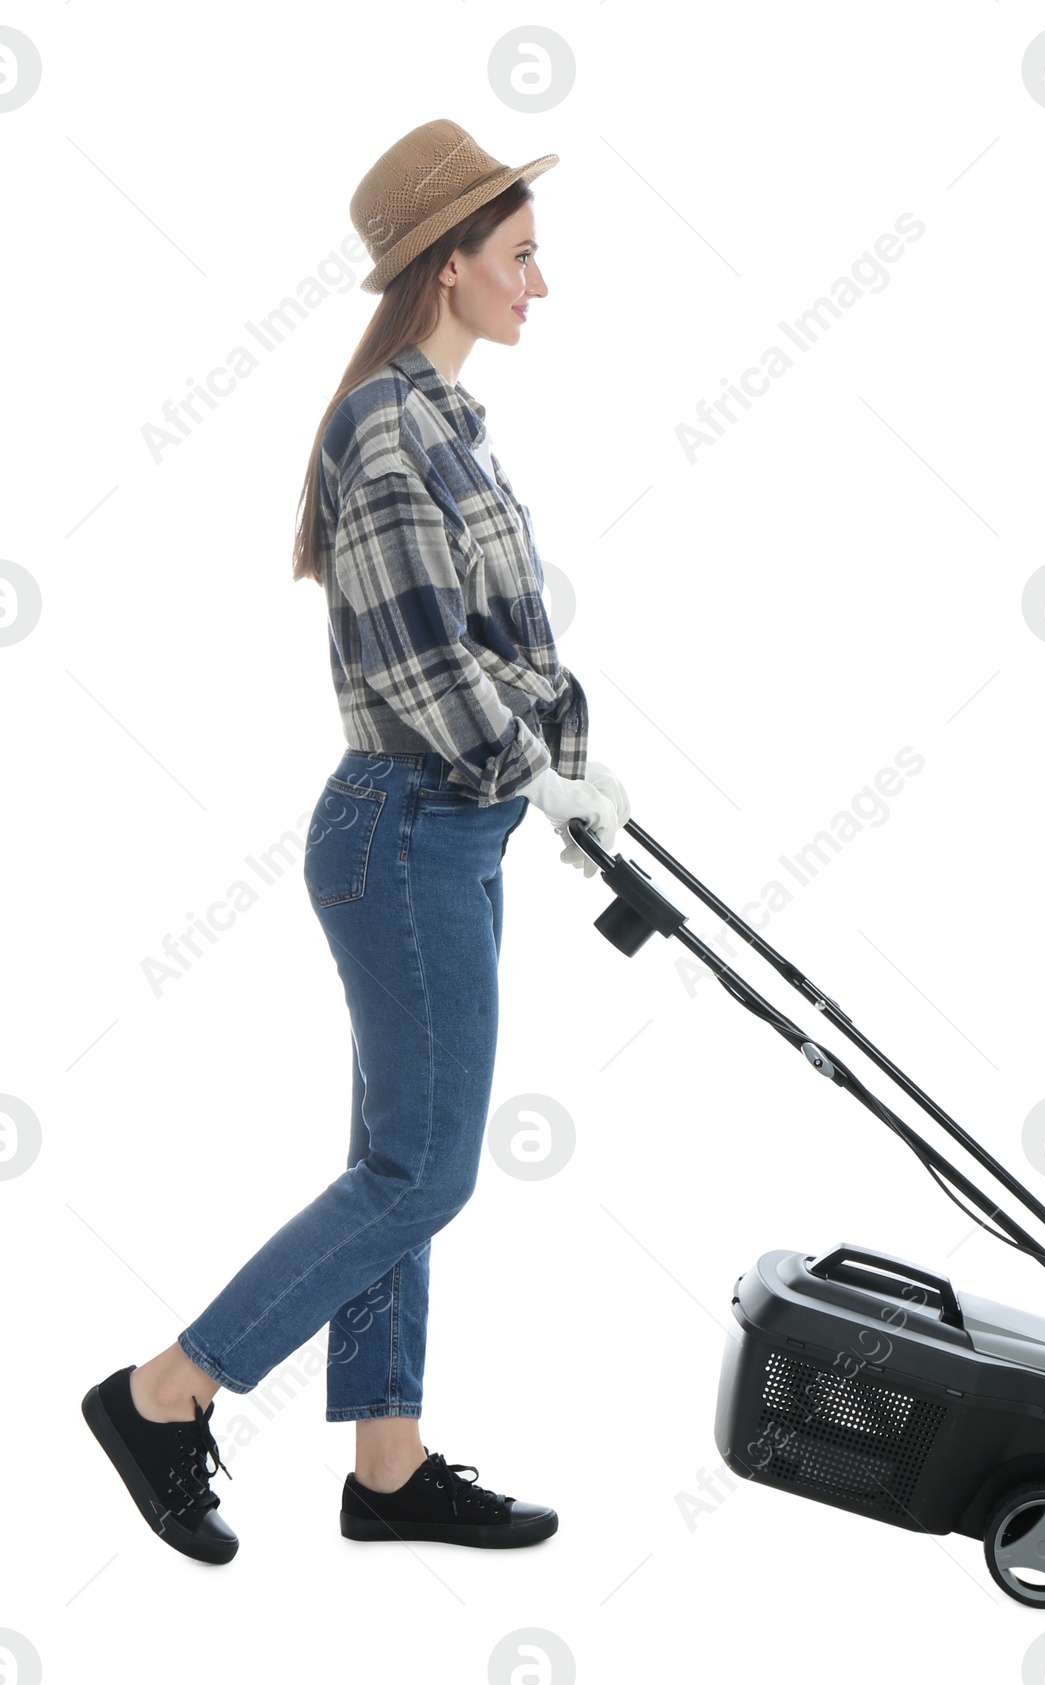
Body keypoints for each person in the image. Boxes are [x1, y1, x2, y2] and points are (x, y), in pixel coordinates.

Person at [80, 119, 628, 1564]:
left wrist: (571, 773)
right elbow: (432, 666)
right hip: (405, 831)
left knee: (399, 1156)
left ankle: (388, 1470)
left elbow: (512, 644)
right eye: (519, 257)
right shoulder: (386, 430)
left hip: (457, 827)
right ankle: (164, 1391)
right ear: (450, 268)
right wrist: (534, 773)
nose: (540, 284)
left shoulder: (446, 420)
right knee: (423, 1172)